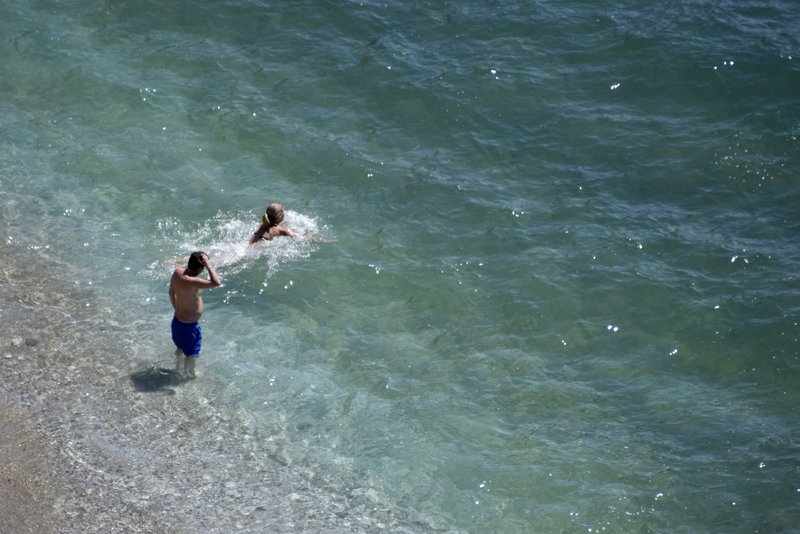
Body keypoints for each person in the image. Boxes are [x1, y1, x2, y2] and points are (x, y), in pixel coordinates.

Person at [168, 251, 221, 378]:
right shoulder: (192, 281)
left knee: (180, 347)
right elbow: (216, 282)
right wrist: (209, 264)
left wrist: (178, 309)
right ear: (201, 267)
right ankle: (190, 375)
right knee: (191, 354)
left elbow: (171, 293)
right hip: (188, 328)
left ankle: (178, 366)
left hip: (177, 322)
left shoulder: (177, 273)